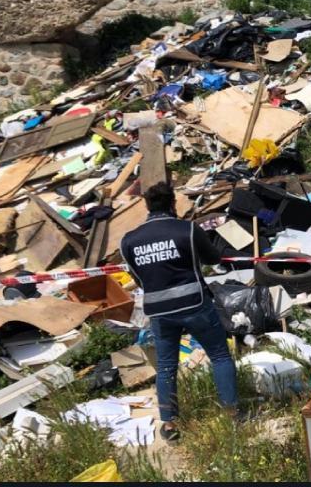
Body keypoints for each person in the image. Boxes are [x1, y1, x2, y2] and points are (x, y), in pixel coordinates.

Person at [120, 182, 237, 442]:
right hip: (195, 304)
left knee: (165, 367)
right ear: (173, 204)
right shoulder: (188, 230)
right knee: (219, 356)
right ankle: (231, 412)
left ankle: (170, 425)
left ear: (147, 206)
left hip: (159, 311)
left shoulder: (129, 240)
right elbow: (213, 260)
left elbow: (138, 277)